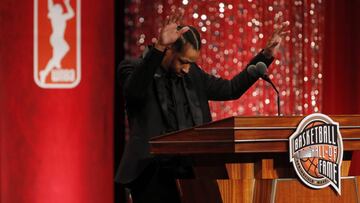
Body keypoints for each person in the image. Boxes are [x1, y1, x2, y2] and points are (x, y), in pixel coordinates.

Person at [115, 8, 289, 203]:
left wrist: (265, 56)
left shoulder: (193, 75)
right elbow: (134, 91)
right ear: (169, 50)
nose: (187, 68)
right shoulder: (133, 68)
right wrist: (158, 48)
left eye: (191, 62)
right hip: (151, 175)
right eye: (183, 61)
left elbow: (230, 89)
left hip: (193, 171)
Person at [40, 0, 74, 83]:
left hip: (58, 39)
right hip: (56, 38)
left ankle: (45, 72)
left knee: (57, 56)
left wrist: (67, 4)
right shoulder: (57, 17)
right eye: (58, 8)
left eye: (60, 7)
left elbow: (72, 14)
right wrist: (67, 4)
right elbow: (71, 14)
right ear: (56, 11)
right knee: (65, 48)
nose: (60, 8)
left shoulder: (60, 16)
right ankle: (46, 71)